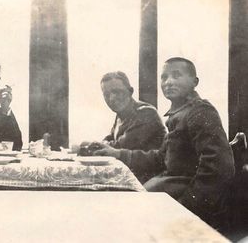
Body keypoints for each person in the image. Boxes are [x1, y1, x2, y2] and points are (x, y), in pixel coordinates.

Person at [93, 57, 235, 227]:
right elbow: (161, 158)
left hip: (188, 205)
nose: (168, 82)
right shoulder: (179, 114)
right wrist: (119, 154)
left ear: (194, 82)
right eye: (164, 77)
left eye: (176, 75)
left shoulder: (200, 112)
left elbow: (218, 168)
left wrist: (185, 206)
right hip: (168, 192)